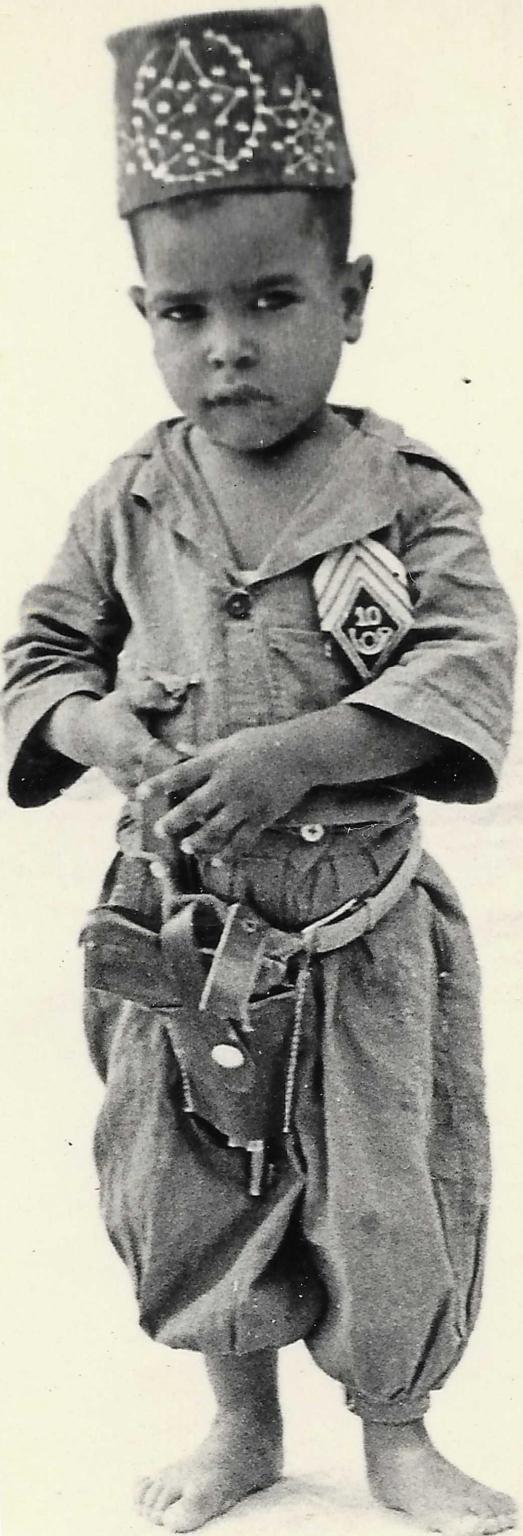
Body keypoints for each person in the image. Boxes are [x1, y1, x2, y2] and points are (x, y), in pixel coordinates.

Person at [2, 7, 518, 1533]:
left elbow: (470, 661)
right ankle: (240, 1424)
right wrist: (102, 731)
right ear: (143, 314)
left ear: (349, 298)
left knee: (387, 1185)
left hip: (360, 935)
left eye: (271, 298)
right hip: (178, 937)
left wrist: (306, 753)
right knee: (186, 1182)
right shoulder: (128, 500)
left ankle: (399, 1431)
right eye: (184, 311)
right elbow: (35, 663)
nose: (225, 344)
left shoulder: (406, 493)